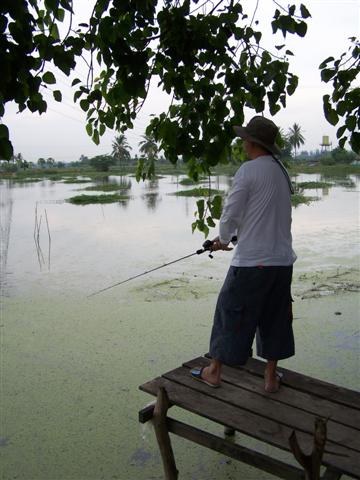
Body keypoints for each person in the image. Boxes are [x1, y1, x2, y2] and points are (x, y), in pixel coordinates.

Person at [190, 116, 296, 393]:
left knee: (230, 312)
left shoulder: (248, 171)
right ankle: (270, 378)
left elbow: (231, 213)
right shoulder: (281, 171)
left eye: (245, 138)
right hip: (282, 262)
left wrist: (224, 239)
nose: (243, 142)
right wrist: (233, 238)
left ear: (252, 143)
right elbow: (267, 218)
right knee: (275, 318)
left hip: (252, 264)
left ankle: (214, 372)